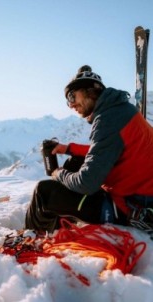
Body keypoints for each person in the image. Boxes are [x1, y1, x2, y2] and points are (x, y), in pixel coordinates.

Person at [25, 65, 153, 235]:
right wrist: (68, 149)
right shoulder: (120, 110)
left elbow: (87, 183)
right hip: (141, 193)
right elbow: (106, 149)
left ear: (91, 91)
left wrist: (58, 173)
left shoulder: (107, 120)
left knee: (44, 192)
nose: (71, 105)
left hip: (132, 206)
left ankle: (27, 245)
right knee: (76, 161)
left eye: (72, 96)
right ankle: (60, 230)